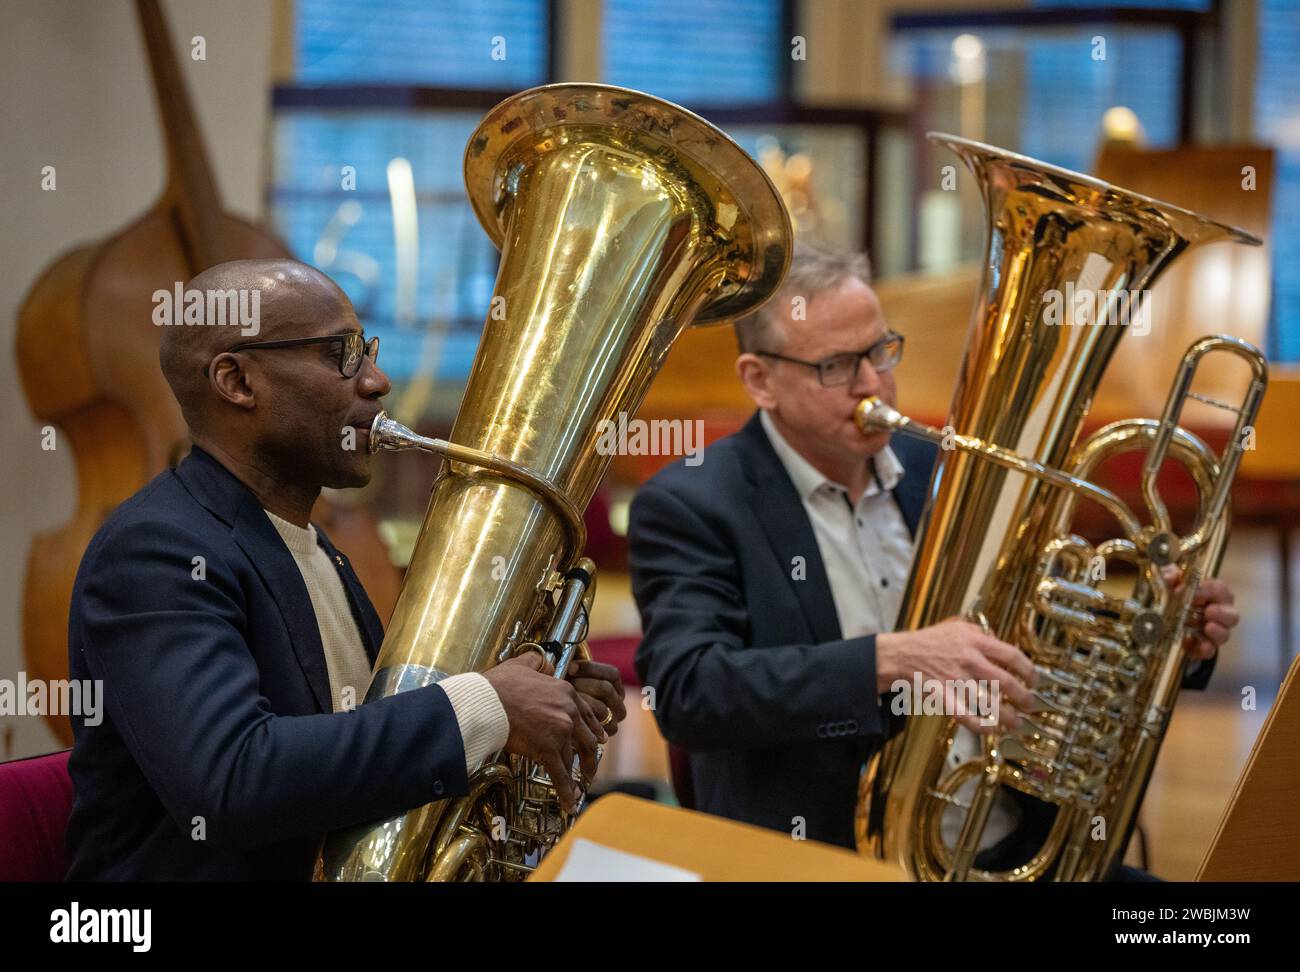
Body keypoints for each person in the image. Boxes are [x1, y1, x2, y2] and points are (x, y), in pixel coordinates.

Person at [628, 240, 1237, 874]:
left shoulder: (944, 473)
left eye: (880, 351)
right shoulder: (694, 503)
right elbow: (690, 692)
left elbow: (1040, 637)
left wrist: (1161, 635)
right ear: (760, 380)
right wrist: (893, 658)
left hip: (1017, 847)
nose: (872, 384)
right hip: (835, 858)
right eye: (836, 366)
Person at [65, 258, 626, 880]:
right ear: (237, 381)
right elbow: (230, 779)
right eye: (342, 354)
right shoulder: (157, 548)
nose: (378, 381)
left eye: (369, 350)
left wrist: (532, 694)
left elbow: (359, 755)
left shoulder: (316, 546)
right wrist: (486, 706)